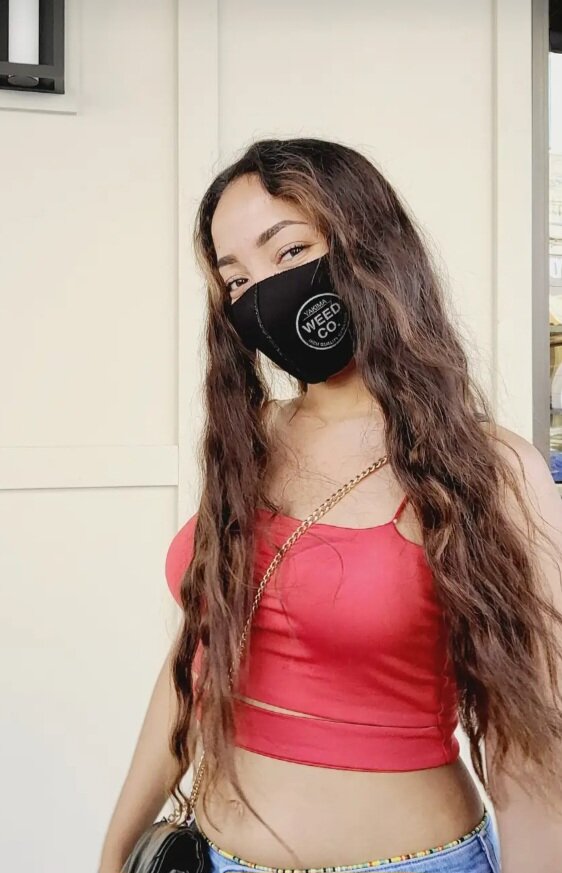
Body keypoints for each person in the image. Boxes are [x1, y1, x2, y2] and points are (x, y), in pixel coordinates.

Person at [99, 139, 562, 873]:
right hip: (214, 858)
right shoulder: (250, 442)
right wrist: (113, 852)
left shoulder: (492, 469)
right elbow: (195, 665)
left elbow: (531, 747)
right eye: (237, 279)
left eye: (289, 252)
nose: (263, 294)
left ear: (368, 245)